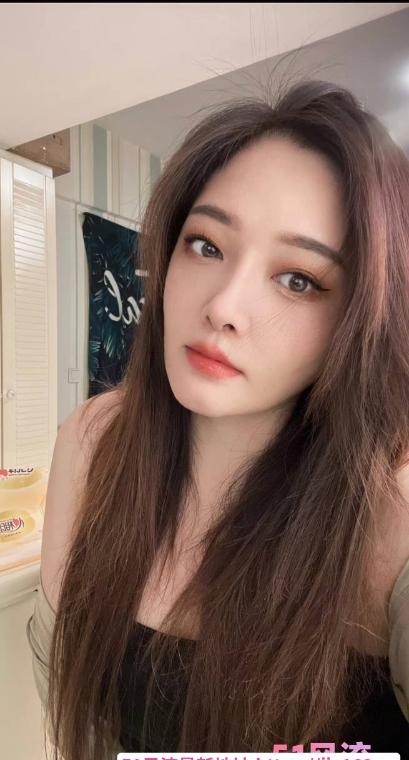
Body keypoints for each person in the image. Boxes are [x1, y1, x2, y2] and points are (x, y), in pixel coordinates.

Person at [26, 77, 409, 759]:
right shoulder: (94, 444)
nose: (225, 306)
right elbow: (71, 708)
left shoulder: (389, 516)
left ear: (357, 323)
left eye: (298, 279)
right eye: (206, 244)